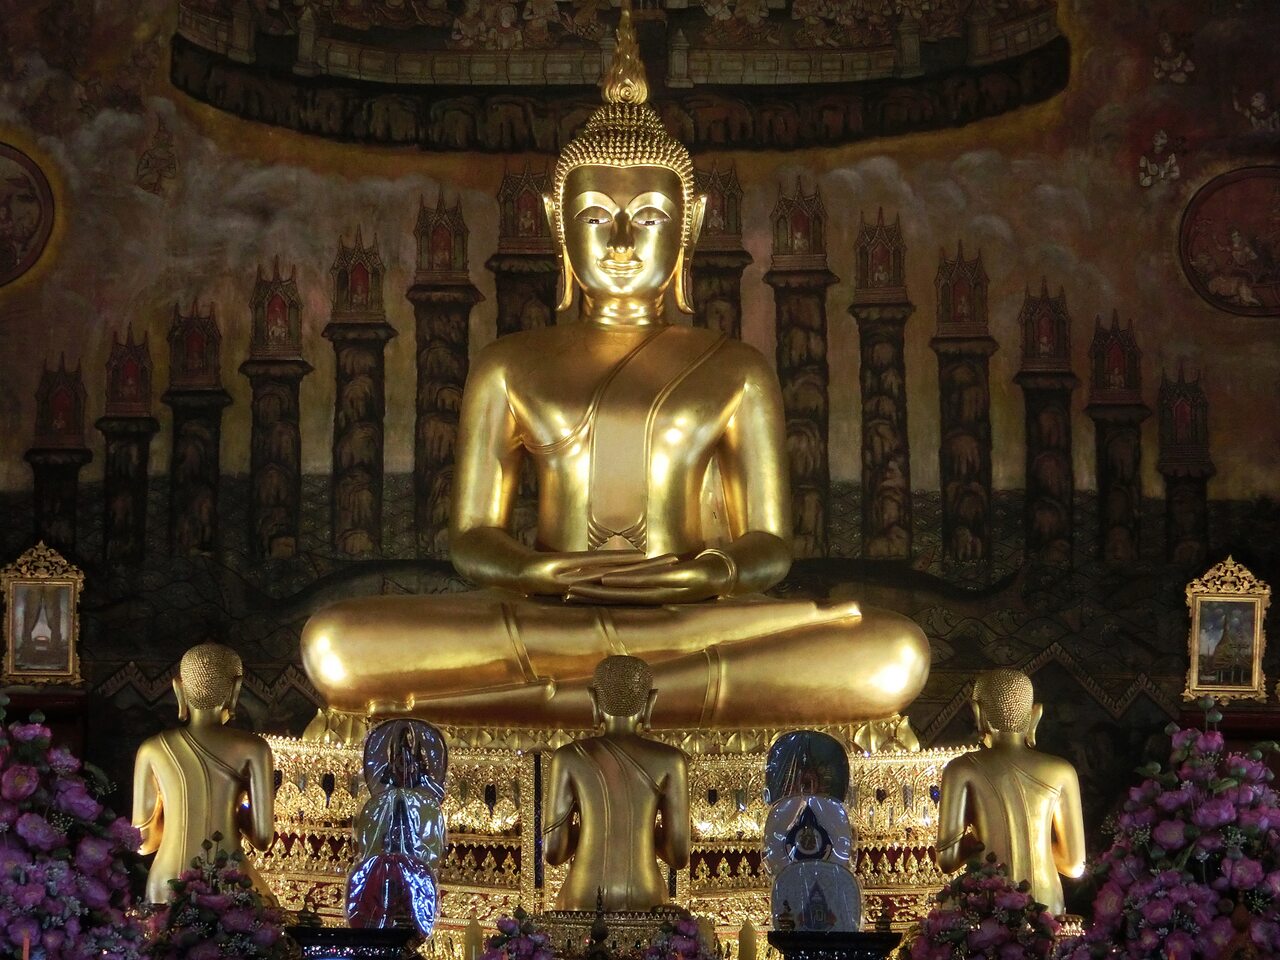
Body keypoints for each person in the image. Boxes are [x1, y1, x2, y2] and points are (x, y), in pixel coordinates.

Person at [299, 0, 929, 734]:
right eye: (596, 215)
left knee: (891, 652)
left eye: (651, 217)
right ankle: (627, 693)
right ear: (552, 220)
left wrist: (706, 575)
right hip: (543, 619)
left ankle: (545, 703)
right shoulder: (509, 364)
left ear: (690, 225)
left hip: (688, 617)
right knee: (337, 643)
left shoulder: (736, 369)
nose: (623, 239)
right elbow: (474, 536)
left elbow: (767, 544)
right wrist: (539, 572)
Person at [132, 643, 276, 904]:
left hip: (166, 885)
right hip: (232, 883)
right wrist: (231, 810)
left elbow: (142, 843)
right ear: (235, 690)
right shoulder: (254, 749)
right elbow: (263, 838)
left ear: (179, 688)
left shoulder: (152, 749)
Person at [543, 656, 689, 911]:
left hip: (582, 895)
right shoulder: (671, 761)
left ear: (594, 700)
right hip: (646, 895)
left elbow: (554, 852)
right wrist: (639, 830)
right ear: (650, 702)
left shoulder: (567, 758)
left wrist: (592, 829)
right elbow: (678, 855)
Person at [935, 669, 1085, 917]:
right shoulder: (1062, 771)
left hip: (987, 904)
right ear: (1035, 715)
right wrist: (1038, 845)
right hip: (1048, 907)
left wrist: (975, 844)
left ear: (978, 713)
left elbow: (947, 860)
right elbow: (1074, 865)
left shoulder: (961, 769)